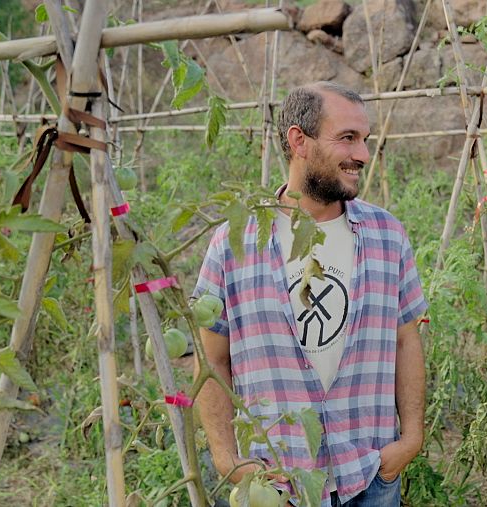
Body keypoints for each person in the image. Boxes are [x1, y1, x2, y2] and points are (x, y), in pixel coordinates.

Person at [193, 82, 428, 507]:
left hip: (370, 474)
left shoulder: (386, 235)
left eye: (365, 140)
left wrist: (409, 439)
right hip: (275, 484)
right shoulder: (234, 241)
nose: (362, 154)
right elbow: (211, 356)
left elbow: (406, 337)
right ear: (299, 141)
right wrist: (228, 458)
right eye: (347, 138)